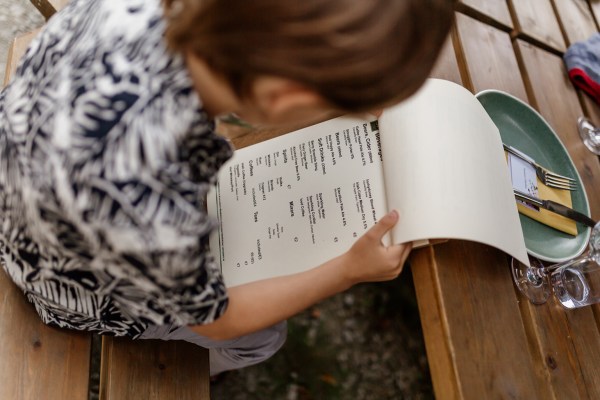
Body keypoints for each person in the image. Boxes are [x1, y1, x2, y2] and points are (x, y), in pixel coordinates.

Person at [0, 0, 453, 375]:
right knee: (262, 336)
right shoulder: (144, 194)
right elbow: (219, 320)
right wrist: (347, 270)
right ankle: (194, 373)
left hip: (25, 184)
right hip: (68, 282)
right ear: (285, 98)